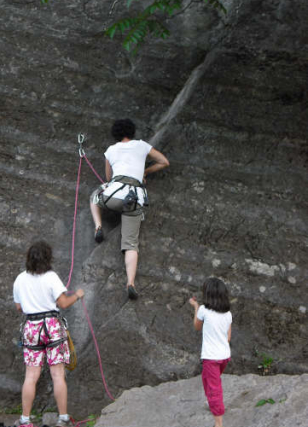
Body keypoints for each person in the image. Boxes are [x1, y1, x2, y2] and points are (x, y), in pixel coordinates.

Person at [90, 118, 169, 300]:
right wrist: (144, 172)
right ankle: (130, 282)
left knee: (94, 196)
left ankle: (98, 226)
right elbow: (164, 161)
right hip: (134, 198)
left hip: (114, 194)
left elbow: (109, 178)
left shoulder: (110, 150)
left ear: (115, 134)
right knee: (131, 244)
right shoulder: (142, 146)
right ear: (132, 132)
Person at [13, 240, 84, 427]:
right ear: (48, 258)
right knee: (58, 374)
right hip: (51, 325)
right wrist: (77, 295)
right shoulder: (51, 277)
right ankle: (63, 419)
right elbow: (63, 303)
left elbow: (19, 307)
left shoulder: (20, 279)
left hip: (31, 327)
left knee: (31, 376)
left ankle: (25, 420)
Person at [188, 277, 232, 427]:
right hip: (224, 356)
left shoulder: (203, 310)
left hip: (210, 358)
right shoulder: (228, 314)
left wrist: (195, 307)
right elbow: (228, 337)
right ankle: (211, 403)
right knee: (207, 379)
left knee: (214, 389)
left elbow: (196, 326)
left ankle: (218, 423)